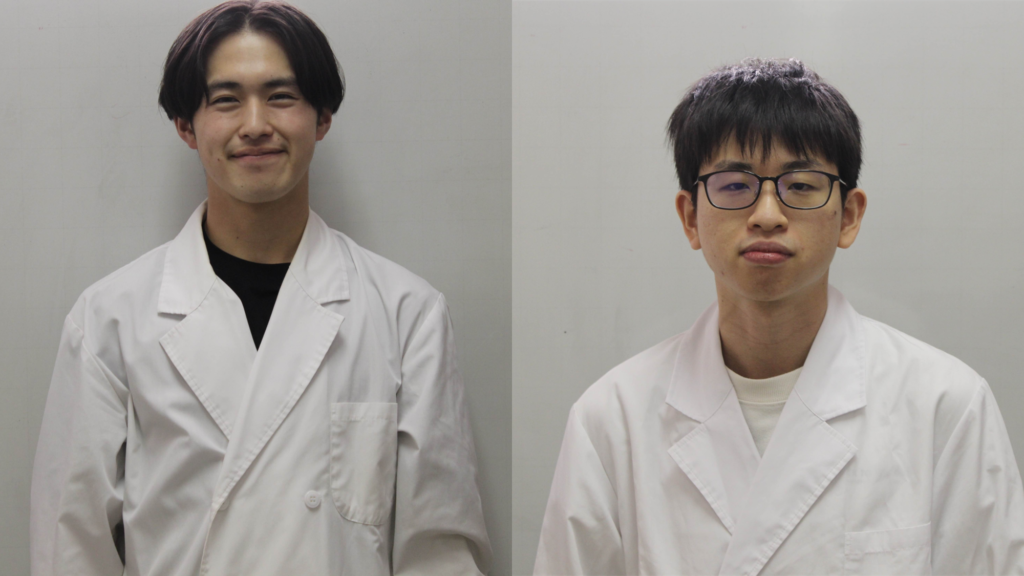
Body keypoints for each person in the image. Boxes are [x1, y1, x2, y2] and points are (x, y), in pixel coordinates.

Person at [29, 1, 491, 574]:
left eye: (281, 96)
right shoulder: (109, 320)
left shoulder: (407, 314)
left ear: (322, 118)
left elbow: (438, 551)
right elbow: (71, 546)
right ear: (186, 126)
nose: (254, 124)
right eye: (226, 100)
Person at [533, 58, 1024, 575]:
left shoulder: (946, 405)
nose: (767, 215)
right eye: (734, 185)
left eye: (801, 185)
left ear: (849, 216)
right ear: (690, 216)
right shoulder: (613, 419)